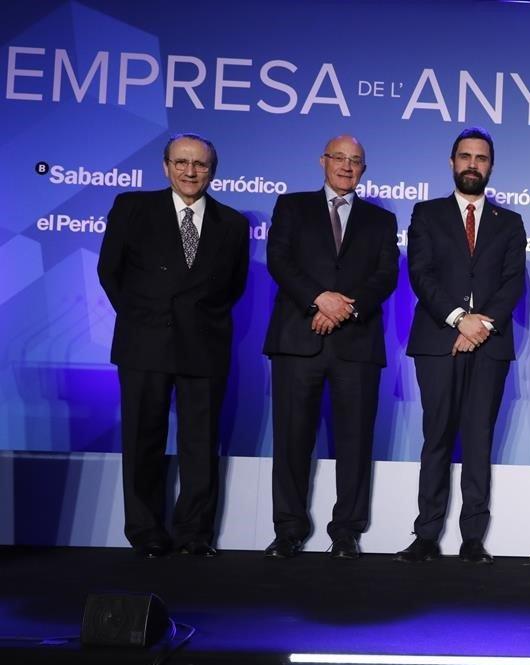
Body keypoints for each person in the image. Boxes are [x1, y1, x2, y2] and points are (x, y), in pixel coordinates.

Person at [97, 132, 249, 558]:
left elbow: (233, 285)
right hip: (144, 341)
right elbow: (110, 271)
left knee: (201, 444)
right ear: (166, 167)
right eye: (181, 162)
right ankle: (145, 531)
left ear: (211, 171)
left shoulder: (233, 223)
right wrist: (142, 316)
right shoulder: (133, 208)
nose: (190, 171)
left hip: (203, 345)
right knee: (143, 439)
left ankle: (194, 533)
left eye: (199, 164)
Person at [262, 135, 399, 560]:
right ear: (323, 161)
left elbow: (385, 276)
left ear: (364, 168)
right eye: (339, 158)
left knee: (355, 442)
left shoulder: (380, 220)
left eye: (355, 160)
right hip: (298, 339)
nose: (346, 166)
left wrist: (343, 309)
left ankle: (346, 532)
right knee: (290, 439)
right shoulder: (292, 206)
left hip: (355, 344)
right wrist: (319, 298)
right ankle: (288, 530)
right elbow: (279, 260)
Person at [396, 128, 526, 565]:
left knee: (478, 439)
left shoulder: (508, 222)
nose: (473, 164)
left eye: (481, 158)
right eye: (465, 157)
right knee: (436, 437)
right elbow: (421, 274)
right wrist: (458, 319)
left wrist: (480, 325)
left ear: (491, 166)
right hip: (439, 340)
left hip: (489, 345)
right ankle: (426, 534)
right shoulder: (426, 214)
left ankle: (473, 537)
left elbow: (513, 283)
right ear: (452, 162)